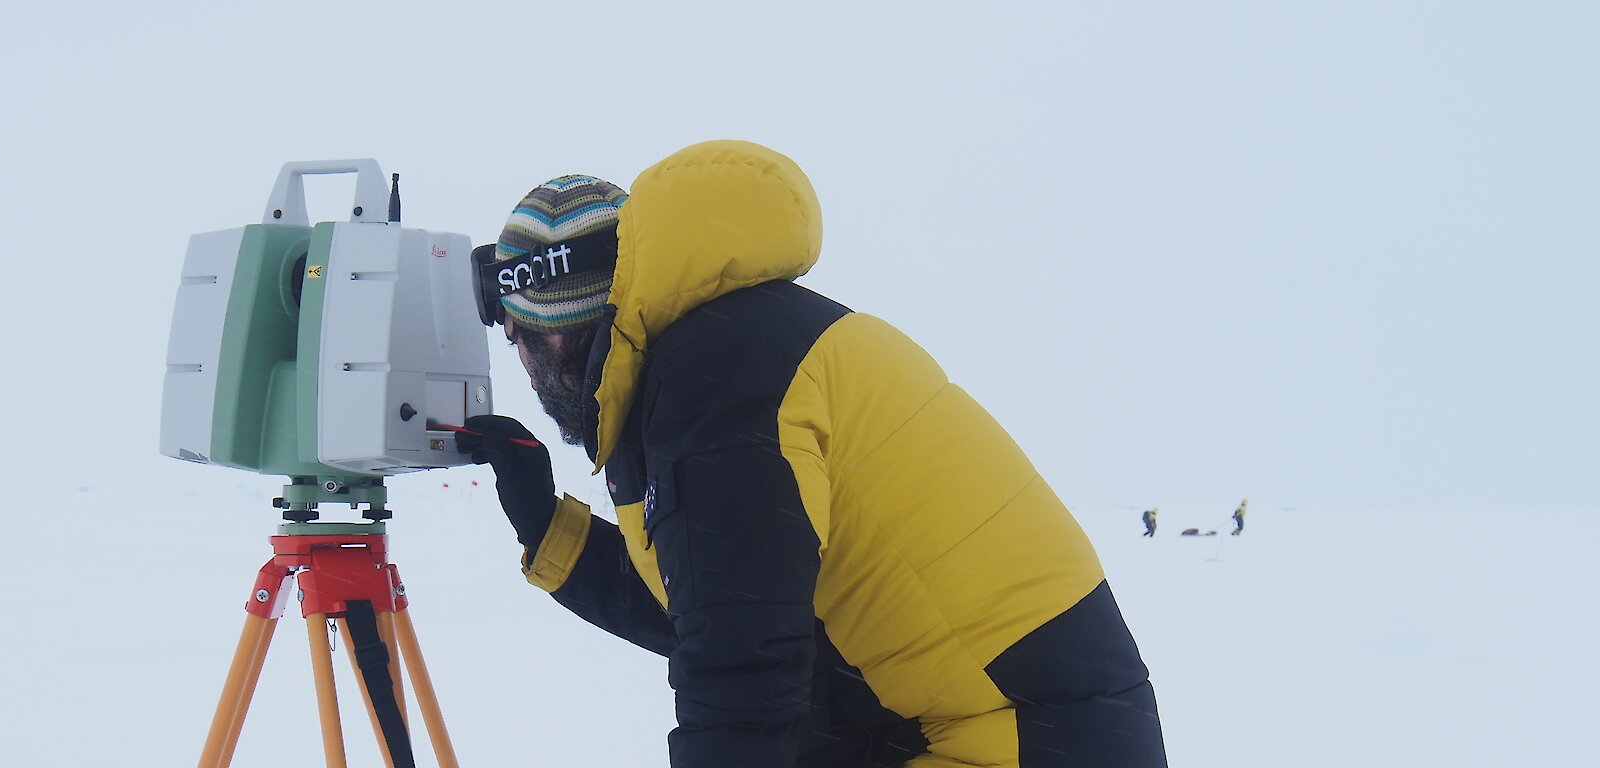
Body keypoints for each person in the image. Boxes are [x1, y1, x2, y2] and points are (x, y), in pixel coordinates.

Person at [456, 141, 1166, 768]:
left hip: (1014, 740)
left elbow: (743, 673)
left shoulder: (714, 379)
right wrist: (550, 531)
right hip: (1034, 730)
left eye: (515, 334)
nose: (517, 357)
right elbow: (728, 614)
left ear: (557, 325)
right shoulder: (733, 347)